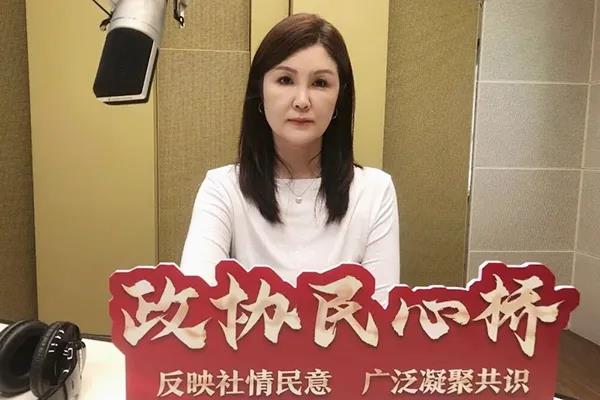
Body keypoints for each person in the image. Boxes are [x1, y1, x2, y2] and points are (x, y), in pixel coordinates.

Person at [180, 13, 399, 303]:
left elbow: (383, 317)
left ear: (340, 98)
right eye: (285, 80)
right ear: (260, 91)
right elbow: (195, 306)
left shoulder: (375, 191)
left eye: (320, 83)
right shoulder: (222, 188)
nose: (302, 101)